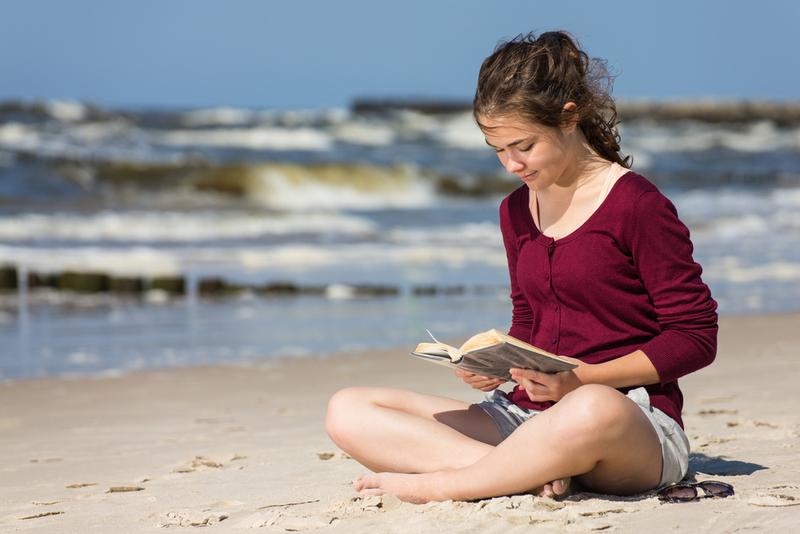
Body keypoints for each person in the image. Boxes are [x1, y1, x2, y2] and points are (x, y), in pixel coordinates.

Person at [324, 31, 718, 504]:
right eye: (498, 150)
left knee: (593, 408)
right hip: (524, 415)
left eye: (523, 146)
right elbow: (529, 321)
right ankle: (525, 474)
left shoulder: (637, 204)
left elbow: (695, 336)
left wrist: (581, 380)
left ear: (568, 117)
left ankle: (448, 482)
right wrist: (496, 366)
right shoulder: (514, 210)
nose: (511, 164)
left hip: (626, 423)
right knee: (348, 409)